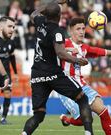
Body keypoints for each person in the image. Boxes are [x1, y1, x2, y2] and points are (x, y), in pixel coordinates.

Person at [21, 1, 94, 135]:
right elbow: (61, 53)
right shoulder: (57, 32)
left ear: (46, 14)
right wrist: (78, 60)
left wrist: (54, 2)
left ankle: (24, 134)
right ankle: (89, 133)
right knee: (82, 99)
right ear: (59, 15)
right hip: (53, 74)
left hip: (37, 74)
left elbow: (34, 13)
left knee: (39, 115)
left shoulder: (39, 23)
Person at [58, 17, 111, 135]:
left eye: (83, 28)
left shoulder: (85, 48)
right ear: (71, 31)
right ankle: (67, 119)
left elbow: (101, 51)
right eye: (78, 29)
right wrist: (68, 49)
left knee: (103, 110)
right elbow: (51, 51)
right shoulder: (63, 43)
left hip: (81, 84)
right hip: (66, 87)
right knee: (83, 119)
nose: (81, 31)